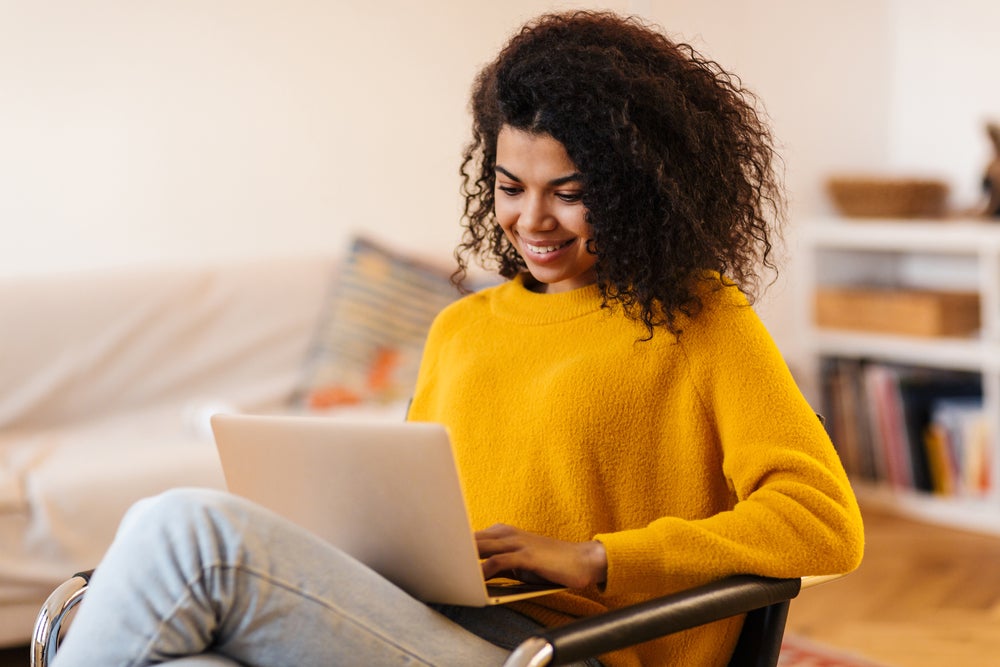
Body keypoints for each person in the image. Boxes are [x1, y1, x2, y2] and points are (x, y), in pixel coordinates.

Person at [52, 10, 864, 667]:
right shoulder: (461, 327)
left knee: (182, 530)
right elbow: (418, 515)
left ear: (641, 191)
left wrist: (596, 558)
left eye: (570, 194)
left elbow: (824, 522)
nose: (531, 221)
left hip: (567, 650)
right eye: (510, 188)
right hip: (438, 625)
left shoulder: (701, 319)